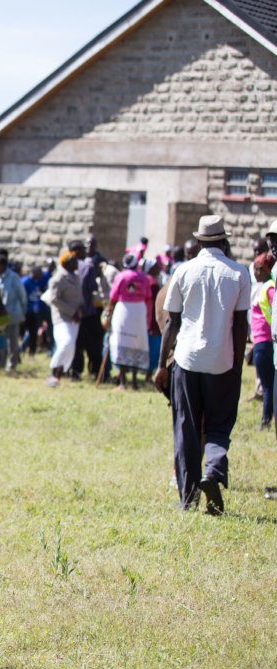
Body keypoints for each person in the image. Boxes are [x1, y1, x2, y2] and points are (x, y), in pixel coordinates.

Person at [155, 216, 250, 515]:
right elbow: (240, 324)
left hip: (186, 360)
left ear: (198, 242)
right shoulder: (239, 273)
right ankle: (213, 471)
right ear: (224, 241)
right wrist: (235, 365)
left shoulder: (183, 271)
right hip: (222, 362)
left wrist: (161, 365)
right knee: (219, 424)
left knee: (187, 427)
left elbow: (172, 322)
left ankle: (188, 497)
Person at [103, 253, 154, 391]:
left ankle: (123, 383)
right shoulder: (144, 278)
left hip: (123, 310)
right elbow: (148, 297)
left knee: (122, 342)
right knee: (136, 343)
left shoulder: (121, 276)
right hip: (139, 311)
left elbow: (113, 296)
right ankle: (134, 383)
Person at [45, 251, 82, 387]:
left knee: (70, 347)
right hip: (62, 317)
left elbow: (78, 296)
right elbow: (54, 299)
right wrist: (71, 311)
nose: (77, 263)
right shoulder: (57, 279)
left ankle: (58, 375)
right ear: (66, 263)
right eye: (74, 261)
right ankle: (52, 370)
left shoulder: (76, 278)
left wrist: (80, 309)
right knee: (66, 342)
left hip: (75, 317)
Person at [70, 238, 105, 381]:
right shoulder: (87, 267)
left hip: (73, 313)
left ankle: (75, 372)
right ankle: (96, 372)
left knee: (76, 344)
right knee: (93, 345)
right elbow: (92, 288)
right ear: (78, 251)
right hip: (88, 312)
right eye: (83, 249)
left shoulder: (66, 267)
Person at [250, 252, 276, 430]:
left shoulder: (270, 288)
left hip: (266, 341)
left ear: (265, 269)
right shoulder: (266, 286)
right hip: (261, 340)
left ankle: (265, 421)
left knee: (267, 383)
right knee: (267, 382)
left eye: (257, 269)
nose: (254, 272)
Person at [0, 250, 27, 370]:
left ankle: (12, 365)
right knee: (1, 340)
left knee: (12, 341)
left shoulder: (13, 277)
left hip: (12, 314)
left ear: (2, 265)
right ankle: (1, 362)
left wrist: (23, 312)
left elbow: (22, 295)